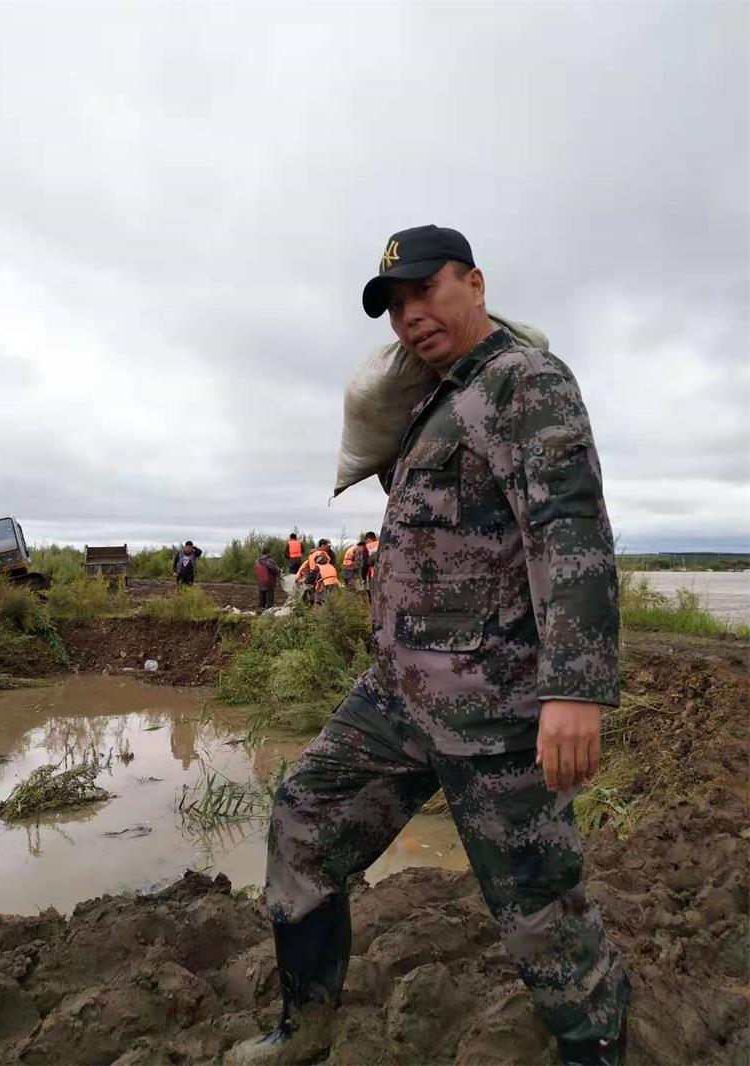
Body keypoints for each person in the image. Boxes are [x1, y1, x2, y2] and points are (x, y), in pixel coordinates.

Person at [226, 225, 629, 1066]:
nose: (410, 317)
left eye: (425, 292)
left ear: (475, 284)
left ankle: (596, 1044)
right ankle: (306, 1024)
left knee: (538, 905)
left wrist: (575, 688)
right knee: (305, 812)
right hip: (398, 699)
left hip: (495, 706)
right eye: (396, 307)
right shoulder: (435, 406)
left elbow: (570, 533)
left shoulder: (526, 383)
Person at [254, 546, 280, 610]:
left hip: (260, 581)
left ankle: (260, 610)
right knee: (269, 600)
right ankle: (269, 613)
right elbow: (275, 570)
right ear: (268, 552)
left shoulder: (257, 561)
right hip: (269, 581)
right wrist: (279, 571)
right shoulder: (269, 560)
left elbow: (255, 570)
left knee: (261, 598)